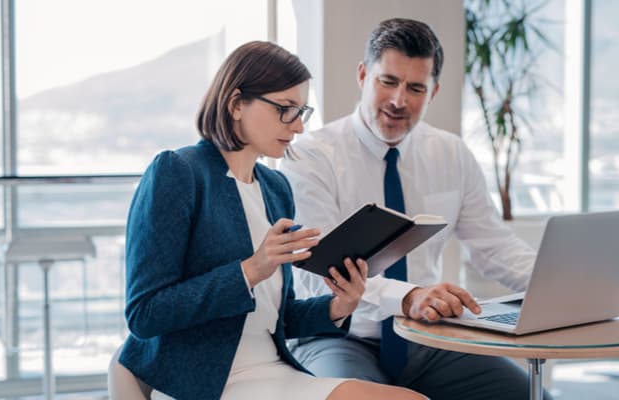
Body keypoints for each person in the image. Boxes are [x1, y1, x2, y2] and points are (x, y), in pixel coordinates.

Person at [118, 41, 425, 400]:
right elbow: (144, 313)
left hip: (274, 371)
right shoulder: (178, 172)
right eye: (285, 110)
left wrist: (339, 306)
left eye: (301, 112)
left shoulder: (276, 188)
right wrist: (250, 269)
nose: (297, 128)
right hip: (205, 382)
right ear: (236, 104)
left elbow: (279, 317)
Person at [280, 19, 553, 399]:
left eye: (415, 88)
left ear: (434, 91)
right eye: (387, 82)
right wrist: (408, 297)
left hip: (427, 340)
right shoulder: (310, 157)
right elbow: (319, 273)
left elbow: (493, 247)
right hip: (339, 335)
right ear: (363, 75)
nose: (398, 101)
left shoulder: (451, 153)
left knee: (532, 395)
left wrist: (556, 286)